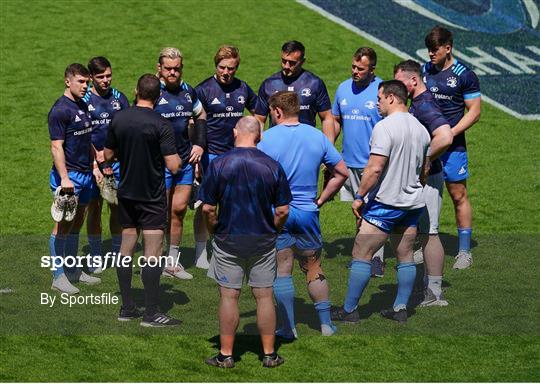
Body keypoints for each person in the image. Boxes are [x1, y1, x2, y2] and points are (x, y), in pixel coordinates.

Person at [331, 80, 431, 324]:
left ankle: (350, 309)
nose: (376, 103)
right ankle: (400, 309)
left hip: (386, 204)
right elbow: (425, 170)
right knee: (405, 254)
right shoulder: (422, 129)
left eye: (379, 98)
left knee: (361, 252)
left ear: (391, 98)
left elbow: (374, 168)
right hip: (412, 204)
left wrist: (359, 196)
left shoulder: (384, 128)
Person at [199, 116, 291, 369]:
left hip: (228, 240)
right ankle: (270, 354)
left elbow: (208, 208)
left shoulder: (219, 164)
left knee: (229, 296)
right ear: (259, 136)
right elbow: (282, 210)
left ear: (234, 132)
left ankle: (226, 355)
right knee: (264, 296)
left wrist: (213, 229)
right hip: (262, 241)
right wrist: (273, 229)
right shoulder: (272, 166)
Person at [258, 91, 348, 337]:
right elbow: (342, 172)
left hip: (279, 213)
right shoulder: (317, 136)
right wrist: (321, 198)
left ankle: (288, 327)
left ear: (276, 111)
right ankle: (326, 324)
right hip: (308, 212)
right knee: (313, 266)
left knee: (282, 269)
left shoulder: (266, 139)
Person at [104, 74, 182, 327]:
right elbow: (172, 166)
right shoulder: (162, 124)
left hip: (126, 194)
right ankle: (151, 313)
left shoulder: (120, 118)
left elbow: (107, 154)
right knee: (153, 253)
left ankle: (127, 307)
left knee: (125, 250)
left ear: (136, 90)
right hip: (151, 197)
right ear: (158, 96)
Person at [394, 60, 453, 306]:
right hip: (422, 178)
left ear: (414, 81)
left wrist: (426, 159)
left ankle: (435, 292)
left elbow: (445, 136)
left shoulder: (426, 104)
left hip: (429, 180)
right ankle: (426, 287)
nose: (397, 87)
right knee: (421, 231)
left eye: (400, 82)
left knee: (431, 233)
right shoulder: (417, 103)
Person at [193, 45, 258, 269]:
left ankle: (226, 249)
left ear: (236, 67)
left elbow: (259, 112)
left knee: (233, 203)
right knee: (205, 205)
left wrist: (253, 138)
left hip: (237, 156)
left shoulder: (243, 88)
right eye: (222, 67)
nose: (226, 72)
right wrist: (197, 156)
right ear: (216, 66)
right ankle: (201, 253)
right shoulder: (203, 90)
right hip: (210, 156)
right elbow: (193, 123)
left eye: (231, 68)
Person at [423, 26, 481, 269]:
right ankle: (424, 244)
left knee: (458, 194)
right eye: (428, 50)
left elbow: (475, 112)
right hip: (427, 146)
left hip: (454, 146)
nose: (430, 54)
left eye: (435, 50)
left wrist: (450, 134)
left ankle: (464, 251)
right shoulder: (425, 70)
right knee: (425, 196)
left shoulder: (464, 75)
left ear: (448, 47)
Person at [331, 47, 386, 277]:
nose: (354, 71)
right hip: (350, 162)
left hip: (373, 163)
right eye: (353, 67)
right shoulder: (343, 88)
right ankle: (363, 257)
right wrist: (329, 150)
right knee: (359, 209)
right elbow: (335, 120)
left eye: (360, 69)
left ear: (372, 70)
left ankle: (375, 260)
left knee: (373, 212)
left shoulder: (382, 90)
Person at [155, 47, 207, 279]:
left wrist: (199, 144)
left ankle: (172, 262)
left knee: (178, 211)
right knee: (160, 212)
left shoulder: (188, 92)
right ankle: (155, 260)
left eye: (177, 69)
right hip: (159, 164)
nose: (173, 73)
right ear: (160, 68)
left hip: (185, 162)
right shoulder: (151, 92)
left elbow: (201, 116)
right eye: (168, 69)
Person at [48, 63, 101, 295]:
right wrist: (64, 179)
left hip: (86, 174)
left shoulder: (81, 105)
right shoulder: (60, 110)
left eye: (87, 82)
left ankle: (72, 269)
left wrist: (95, 164)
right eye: (81, 82)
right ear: (67, 81)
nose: (85, 86)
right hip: (69, 176)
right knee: (63, 224)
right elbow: (56, 147)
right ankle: (58, 276)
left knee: (77, 221)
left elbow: (85, 138)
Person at [83, 56, 130, 273]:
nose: (106, 80)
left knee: (116, 206)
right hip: (91, 164)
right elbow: (81, 135)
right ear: (91, 77)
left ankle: (117, 252)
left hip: (117, 162)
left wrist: (112, 155)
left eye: (109, 75)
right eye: (101, 77)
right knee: (94, 207)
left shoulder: (120, 98)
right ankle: (95, 255)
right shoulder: (82, 100)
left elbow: (128, 132)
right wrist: (97, 157)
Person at [255, 40, 335, 142]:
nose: (286, 66)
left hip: (306, 145)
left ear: (302, 61)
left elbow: (327, 118)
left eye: (292, 63)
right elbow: (260, 120)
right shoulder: (269, 84)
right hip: (277, 145)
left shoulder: (314, 83)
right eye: (284, 61)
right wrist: (258, 147)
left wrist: (328, 149)